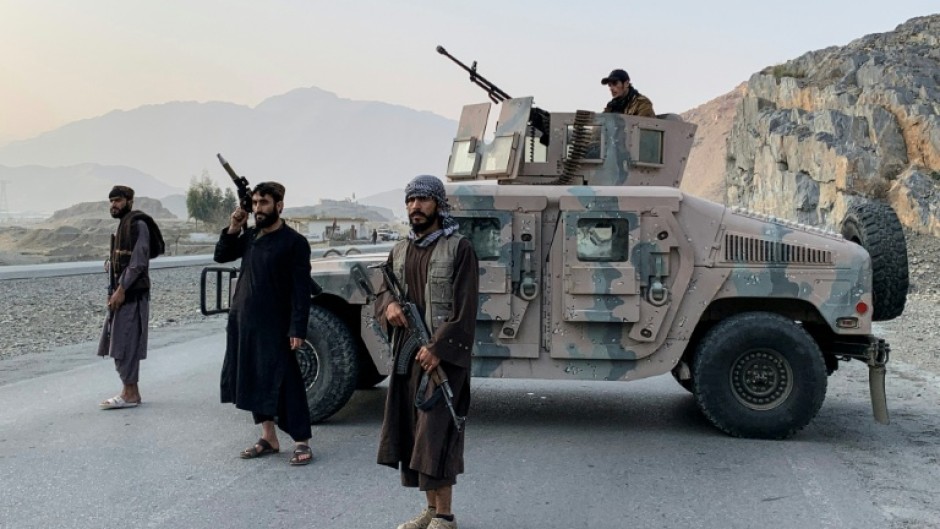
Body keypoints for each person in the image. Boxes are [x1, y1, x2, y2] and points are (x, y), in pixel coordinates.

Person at [375, 175, 479, 529]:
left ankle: (446, 515)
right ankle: (432, 511)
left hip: (442, 359)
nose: (415, 206)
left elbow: (466, 310)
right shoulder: (400, 249)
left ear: (438, 203)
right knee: (416, 435)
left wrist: (439, 349)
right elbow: (384, 289)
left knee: (437, 433)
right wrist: (389, 305)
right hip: (409, 356)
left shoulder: (459, 247)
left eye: (422, 199)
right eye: (410, 200)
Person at [214, 181, 315, 466]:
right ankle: (268, 437)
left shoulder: (294, 243)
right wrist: (234, 224)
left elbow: (300, 289)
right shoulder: (250, 236)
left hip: (276, 324)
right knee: (252, 376)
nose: (258, 208)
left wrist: (297, 327)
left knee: (286, 381)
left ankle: (301, 440)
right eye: (255, 203)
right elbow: (221, 255)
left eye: (264, 203)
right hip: (243, 322)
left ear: (279, 206)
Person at [98, 185, 164, 409]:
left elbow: (138, 262)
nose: (113, 205)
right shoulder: (123, 225)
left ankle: (130, 393)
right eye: (111, 201)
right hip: (122, 292)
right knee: (117, 341)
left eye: (117, 200)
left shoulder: (138, 224)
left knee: (126, 342)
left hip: (131, 295)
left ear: (129, 201)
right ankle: (129, 390)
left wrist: (121, 289)